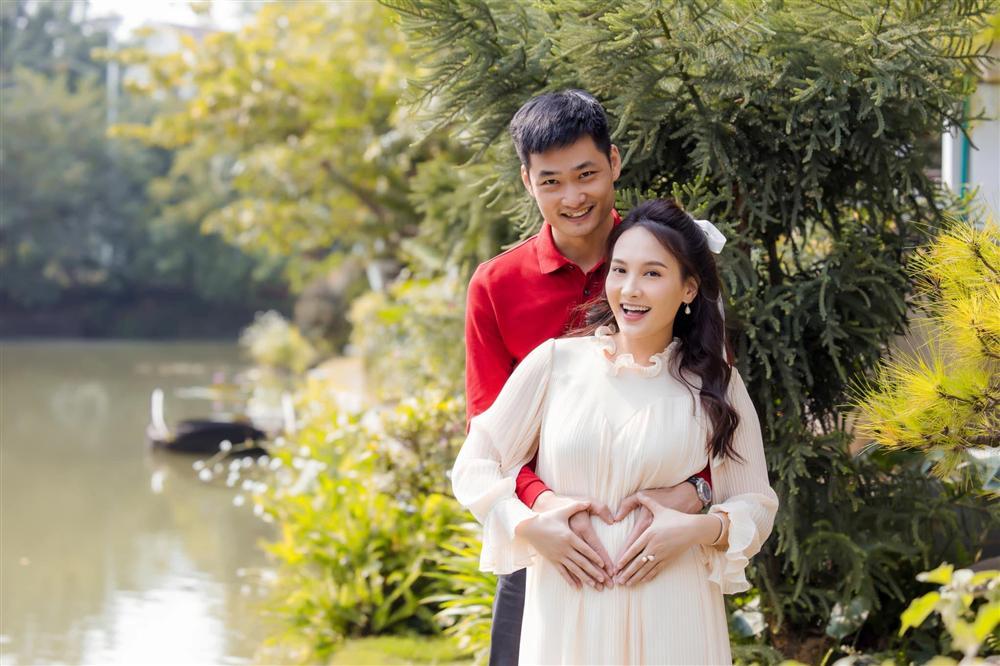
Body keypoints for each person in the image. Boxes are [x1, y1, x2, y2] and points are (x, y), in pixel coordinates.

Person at [454, 198, 779, 664]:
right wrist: (528, 524)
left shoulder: (714, 385)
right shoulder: (555, 364)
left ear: (689, 288)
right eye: (620, 270)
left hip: (673, 614)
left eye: (652, 273)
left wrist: (696, 529)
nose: (630, 289)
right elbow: (476, 462)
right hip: (567, 613)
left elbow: (757, 503)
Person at [464, 90, 715, 664]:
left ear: (614, 163)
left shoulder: (668, 262)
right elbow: (487, 434)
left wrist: (697, 489)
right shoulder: (496, 286)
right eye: (551, 181)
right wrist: (543, 507)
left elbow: (717, 404)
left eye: (586, 175)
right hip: (549, 546)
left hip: (657, 548)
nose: (573, 198)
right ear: (527, 181)